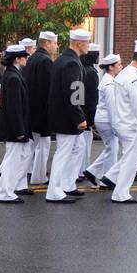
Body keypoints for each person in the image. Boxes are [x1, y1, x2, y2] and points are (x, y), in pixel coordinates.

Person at [104, 38, 137, 203]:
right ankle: (121, 193)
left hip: (120, 122)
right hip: (129, 124)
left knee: (128, 158)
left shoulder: (124, 72)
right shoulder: (134, 78)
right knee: (130, 161)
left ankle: (115, 185)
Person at [45, 29, 92, 202]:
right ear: (79, 43)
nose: (88, 45)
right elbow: (74, 93)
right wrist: (79, 117)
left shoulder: (62, 60)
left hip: (62, 114)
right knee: (63, 153)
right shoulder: (72, 63)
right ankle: (54, 192)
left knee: (77, 148)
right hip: (66, 116)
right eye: (87, 42)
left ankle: (66, 185)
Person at [0, 44, 31, 203]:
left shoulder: (12, 74)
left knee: (16, 158)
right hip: (13, 128)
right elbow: (14, 107)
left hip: (12, 127)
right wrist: (20, 131)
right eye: (24, 56)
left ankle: (3, 186)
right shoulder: (14, 77)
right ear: (17, 59)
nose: (26, 59)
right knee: (12, 160)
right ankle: (5, 193)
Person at [85, 52, 123, 188]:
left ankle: (94, 172)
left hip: (103, 119)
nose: (121, 66)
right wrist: (116, 125)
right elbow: (112, 107)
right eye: (119, 64)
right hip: (107, 119)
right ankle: (108, 179)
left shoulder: (108, 80)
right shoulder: (109, 83)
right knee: (112, 148)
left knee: (110, 148)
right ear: (111, 67)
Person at [25, 31, 57, 187]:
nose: (56, 47)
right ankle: (39, 176)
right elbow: (47, 89)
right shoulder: (45, 60)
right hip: (41, 110)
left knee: (32, 145)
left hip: (31, 108)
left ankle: (33, 175)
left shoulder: (33, 59)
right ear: (47, 43)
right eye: (55, 43)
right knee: (43, 145)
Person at [77, 44, 101, 176]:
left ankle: (81, 169)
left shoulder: (81, 69)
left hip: (80, 112)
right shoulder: (91, 73)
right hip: (86, 114)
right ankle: (82, 170)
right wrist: (91, 119)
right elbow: (92, 99)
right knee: (84, 145)